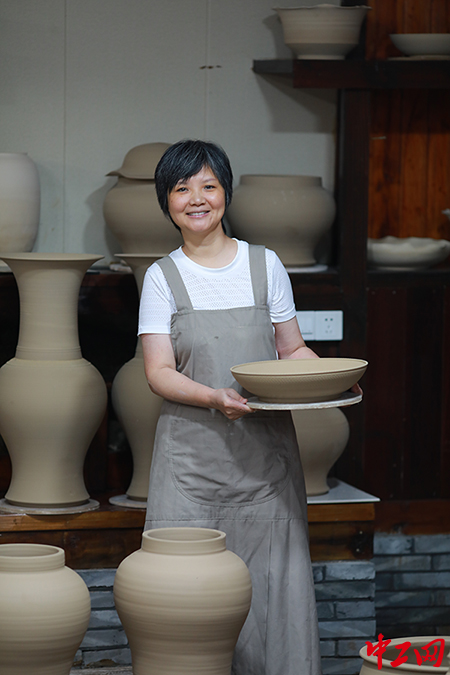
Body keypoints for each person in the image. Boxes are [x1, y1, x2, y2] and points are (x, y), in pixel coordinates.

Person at [138, 139, 322, 675]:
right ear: (166, 201)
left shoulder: (265, 265)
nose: (197, 199)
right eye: (181, 188)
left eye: (209, 186)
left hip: (265, 460)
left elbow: (292, 349)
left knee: (273, 596)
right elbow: (158, 372)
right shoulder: (162, 276)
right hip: (191, 465)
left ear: (226, 193)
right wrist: (214, 398)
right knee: (188, 604)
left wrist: (330, 379)